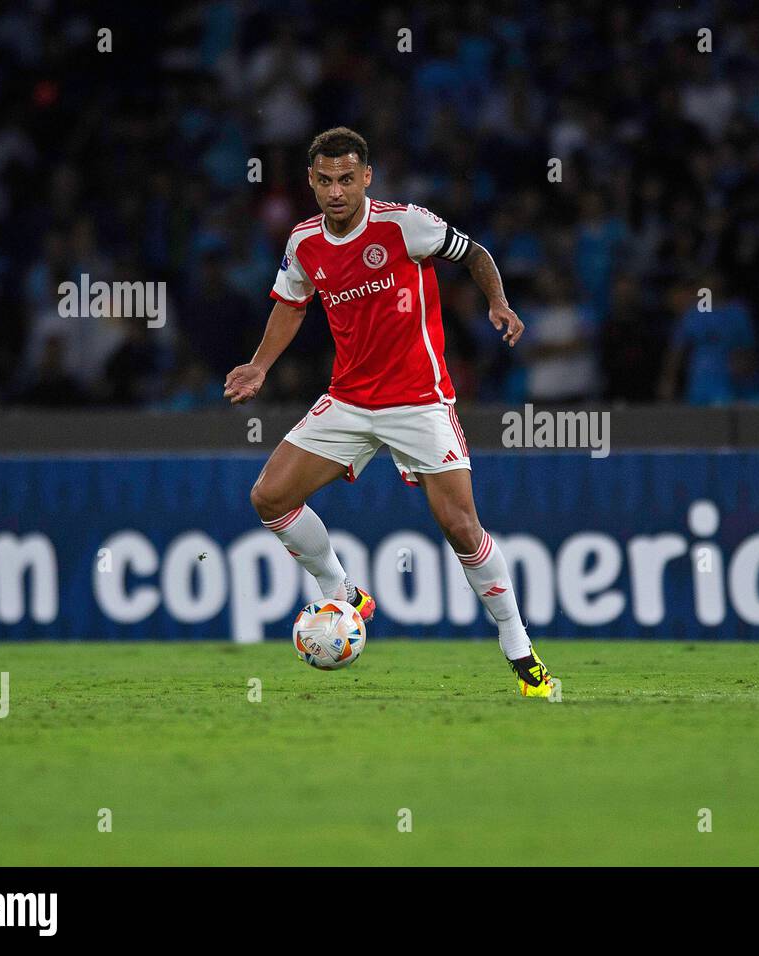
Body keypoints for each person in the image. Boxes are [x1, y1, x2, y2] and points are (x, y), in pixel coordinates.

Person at [224, 127, 557, 698]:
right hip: (349, 400)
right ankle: (343, 592)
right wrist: (259, 366)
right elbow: (290, 306)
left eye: (347, 179)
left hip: (421, 400)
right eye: (325, 180)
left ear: (366, 178)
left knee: (460, 527)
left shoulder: (405, 224)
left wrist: (497, 301)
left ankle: (520, 650)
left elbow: (473, 252)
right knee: (269, 497)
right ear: (311, 181)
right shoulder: (303, 243)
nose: (336, 191)